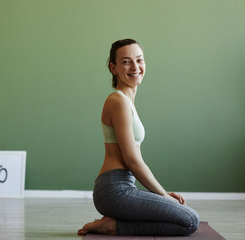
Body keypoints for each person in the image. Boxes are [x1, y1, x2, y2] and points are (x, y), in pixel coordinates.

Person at [78, 39, 199, 236]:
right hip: (114, 190)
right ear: (113, 68)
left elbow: (136, 160)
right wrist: (162, 195)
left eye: (139, 60)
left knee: (186, 217)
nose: (135, 67)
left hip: (123, 186)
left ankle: (114, 223)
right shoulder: (118, 101)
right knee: (190, 220)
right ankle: (112, 226)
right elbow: (132, 160)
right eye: (126, 62)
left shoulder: (127, 101)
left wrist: (162, 194)